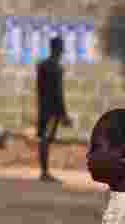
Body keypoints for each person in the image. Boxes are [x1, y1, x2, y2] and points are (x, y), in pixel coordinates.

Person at [35, 36, 72, 182]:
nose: (63, 51)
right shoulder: (56, 68)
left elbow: (39, 90)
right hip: (52, 111)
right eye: (61, 47)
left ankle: (44, 171)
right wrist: (63, 115)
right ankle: (44, 172)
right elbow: (58, 93)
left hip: (43, 108)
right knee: (46, 140)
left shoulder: (41, 65)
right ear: (58, 49)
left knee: (43, 139)